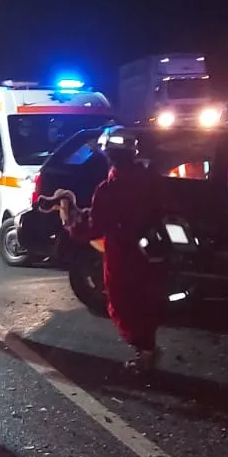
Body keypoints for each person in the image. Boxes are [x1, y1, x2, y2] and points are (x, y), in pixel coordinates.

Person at [59, 126, 166, 372]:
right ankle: (147, 348)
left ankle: (145, 352)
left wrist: (70, 222)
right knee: (144, 301)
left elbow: (95, 228)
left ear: (107, 153)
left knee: (122, 303)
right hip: (150, 250)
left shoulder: (108, 189)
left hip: (122, 252)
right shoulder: (149, 179)